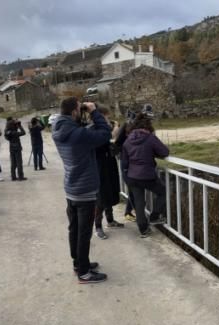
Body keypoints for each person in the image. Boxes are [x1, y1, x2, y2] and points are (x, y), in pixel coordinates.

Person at [51, 97, 112, 284]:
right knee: (84, 232)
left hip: (72, 187)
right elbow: (105, 133)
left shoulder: (59, 129)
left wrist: (87, 117)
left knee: (74, 229)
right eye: (80, 109)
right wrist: (94, 111)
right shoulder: (78, 134)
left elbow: (85, 132)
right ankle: (84, 273)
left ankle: (79, 263)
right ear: (74, 112)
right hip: (85, 190)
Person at [121, 113, 169, 238]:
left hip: (132, 176)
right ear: (148, 126)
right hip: (147, 175)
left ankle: (143, 230)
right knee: (163, 192)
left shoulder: (128, 139)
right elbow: (164, 152)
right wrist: (152, 152)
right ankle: (154, 216)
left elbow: (125, 161)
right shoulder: (150, 138)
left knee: (139, 202)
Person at [93, 107, 125, 239]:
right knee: (101, 197)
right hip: (99, 166)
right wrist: (113, 134)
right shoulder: (93, 129)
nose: (107, 119)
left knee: (109, 192)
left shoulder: (103, 128)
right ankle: (98, 226)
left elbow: (109, 145)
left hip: (108, 163)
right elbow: (99, 143)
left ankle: (110, 220)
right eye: (105, 116)